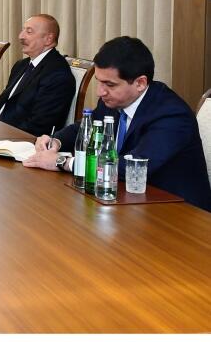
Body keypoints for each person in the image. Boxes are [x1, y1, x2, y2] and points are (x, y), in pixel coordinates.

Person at [23, 36, 211, 212]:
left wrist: (64, 162)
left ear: (140, 83)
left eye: (110, 85)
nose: (100, 92)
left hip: (177, 212)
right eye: (99, 82)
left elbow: (132, 167)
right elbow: (86, 126)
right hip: (127, 200)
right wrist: (56, 141)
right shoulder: (114, 101)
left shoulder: (172, 115)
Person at [0, 14, 76, 135]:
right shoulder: (21, 65)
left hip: (20, 140)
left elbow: (39, 127)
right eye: (23, 30)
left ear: (48, 39)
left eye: (29, 32)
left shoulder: (58, 75)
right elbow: (1, 105)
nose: (21, 36)